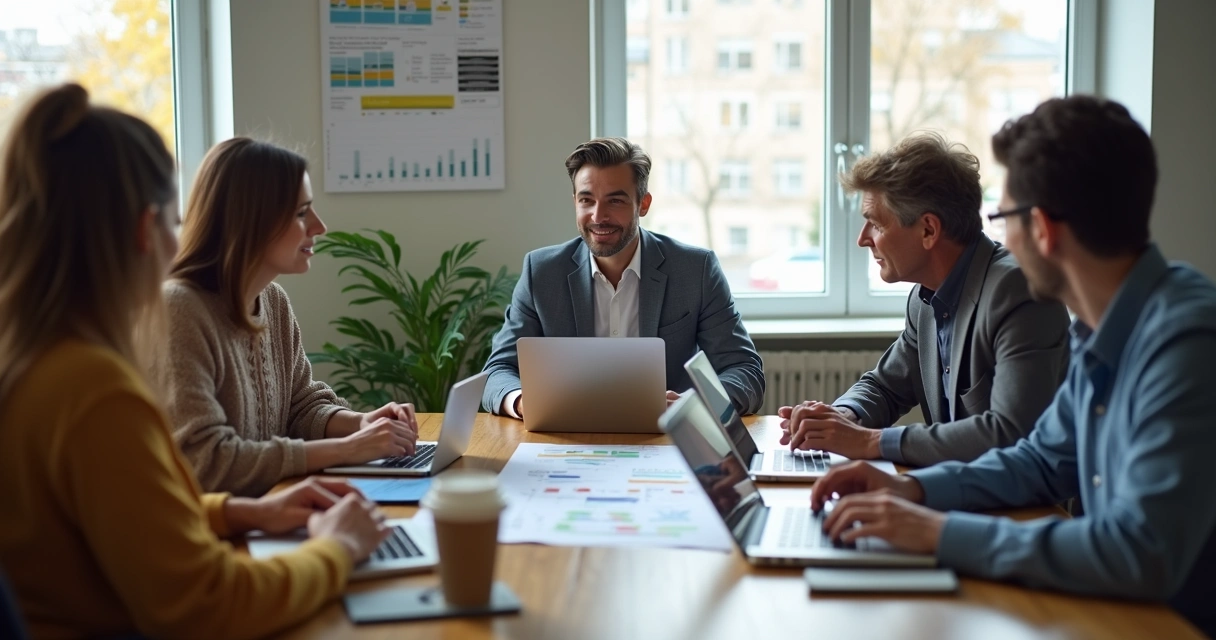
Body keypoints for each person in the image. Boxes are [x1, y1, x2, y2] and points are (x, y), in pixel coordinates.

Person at [809, 95, 1216, 636]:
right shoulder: (1107, 329)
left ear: (1043, 229)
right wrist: (915, 492)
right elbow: (1039, 462)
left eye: (1004, 217)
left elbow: (1138, 550)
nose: (998, 238)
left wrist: (938, 533)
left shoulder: (1185, 340)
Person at [0, 84, 390, 639]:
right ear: (145, 229)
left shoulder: (32, 359)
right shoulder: (95, 391)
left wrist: (237, 513)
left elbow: (114, 521)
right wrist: (338, 548)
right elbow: (208, 606)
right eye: (172, 220)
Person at [780, 132, 1070, 467]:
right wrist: (843, 416)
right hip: (958, 493)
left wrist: (870, 441)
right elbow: (885, 387)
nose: (863, 240)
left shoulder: (1018, 291)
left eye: (875, 224)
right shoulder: (925, 297)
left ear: (929, 230)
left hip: (1023, 510)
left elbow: (1009, 433)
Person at [152, 137, 419, 497]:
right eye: (300, 213)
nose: (319, 226)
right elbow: (204, 462)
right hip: (209, 536)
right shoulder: (180, 310)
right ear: (251, 220)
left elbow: (300, 406)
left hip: (267, 514)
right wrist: (348, 448)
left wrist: (361, 423)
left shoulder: (272, 301)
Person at [482, 137, 765, 418]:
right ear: (575, 202)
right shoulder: (541, 272)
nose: (598, 215)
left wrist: (694, 406)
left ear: (643, 203)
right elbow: (498, 371)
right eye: (586, 200)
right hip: (568, 440)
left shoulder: (696, 270)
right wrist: (521, 402)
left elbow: (744, 371)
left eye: (615, 200)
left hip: (667, 441)